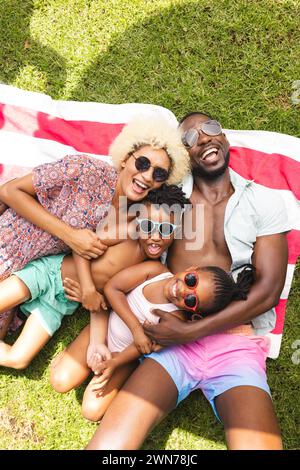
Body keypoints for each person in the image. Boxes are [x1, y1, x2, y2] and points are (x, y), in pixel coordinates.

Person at [85, 112, 291, 451]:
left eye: (210, 130)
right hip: (169, 337)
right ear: (184, 154)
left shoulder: (264, 201)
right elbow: (124, 204)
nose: (204, 139)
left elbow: (267, 293)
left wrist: (190, 331)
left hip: (232, 343)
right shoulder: (170, 194)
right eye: (191, 138)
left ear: (224, 137)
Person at [0, 116, 189, 338]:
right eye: (142, 163)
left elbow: (104, 270)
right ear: (126, 158)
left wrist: (87, 290)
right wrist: (69, 235)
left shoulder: (138, 218)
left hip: (31, 274)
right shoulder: (85, 170)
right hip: (8, 245)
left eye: (159, 174)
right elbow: (9, 191)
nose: (146, 177)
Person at [0, 185, 188, 370]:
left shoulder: (150, 271)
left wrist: (97, 343)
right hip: (48, 274)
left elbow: (103, 303)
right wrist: (89, 288)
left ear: (175, 231)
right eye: (148, 226)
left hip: (61, 304)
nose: (155, 236)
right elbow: (81, 248)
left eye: (165, 229)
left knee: (18, 359)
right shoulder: (127, 232)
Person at [62, 260, 254, 422]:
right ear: (191, 269)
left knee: (91, 411)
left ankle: (111, 371)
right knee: (61, 381)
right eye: (191, 280)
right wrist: (136, 328)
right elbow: (113, 288)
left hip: (123, 357)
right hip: (103, 327)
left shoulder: (175, 319)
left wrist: (114, 362)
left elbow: (145, 346)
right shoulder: (155, 271)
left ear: (193, 312)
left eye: (190, 300)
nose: (183, 290)